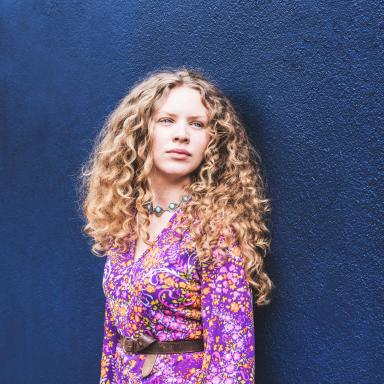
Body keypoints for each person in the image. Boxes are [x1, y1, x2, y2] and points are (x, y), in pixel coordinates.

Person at [78, 67, 274, 383]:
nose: (181, 134)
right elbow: (114, 338)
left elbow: (231, 355)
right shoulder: (126, 224)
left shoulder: (212, 229)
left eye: (197, 124)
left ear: (213, 140)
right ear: (141, 131)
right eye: (166, 120)